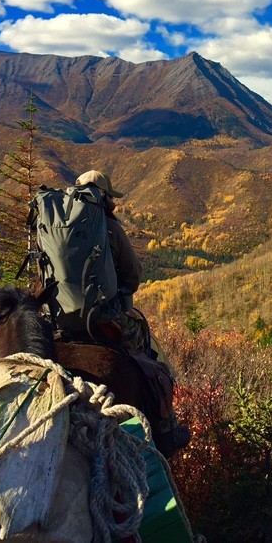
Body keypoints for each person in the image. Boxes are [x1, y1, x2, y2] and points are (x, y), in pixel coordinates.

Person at [40, 170, 190, 457]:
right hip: (103, 317)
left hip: (58, 317)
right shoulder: (108, 226)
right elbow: (133, 275)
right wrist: (119, 293)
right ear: (104, 197)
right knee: (149, 355)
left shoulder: (55, 224)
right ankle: (166, 425)